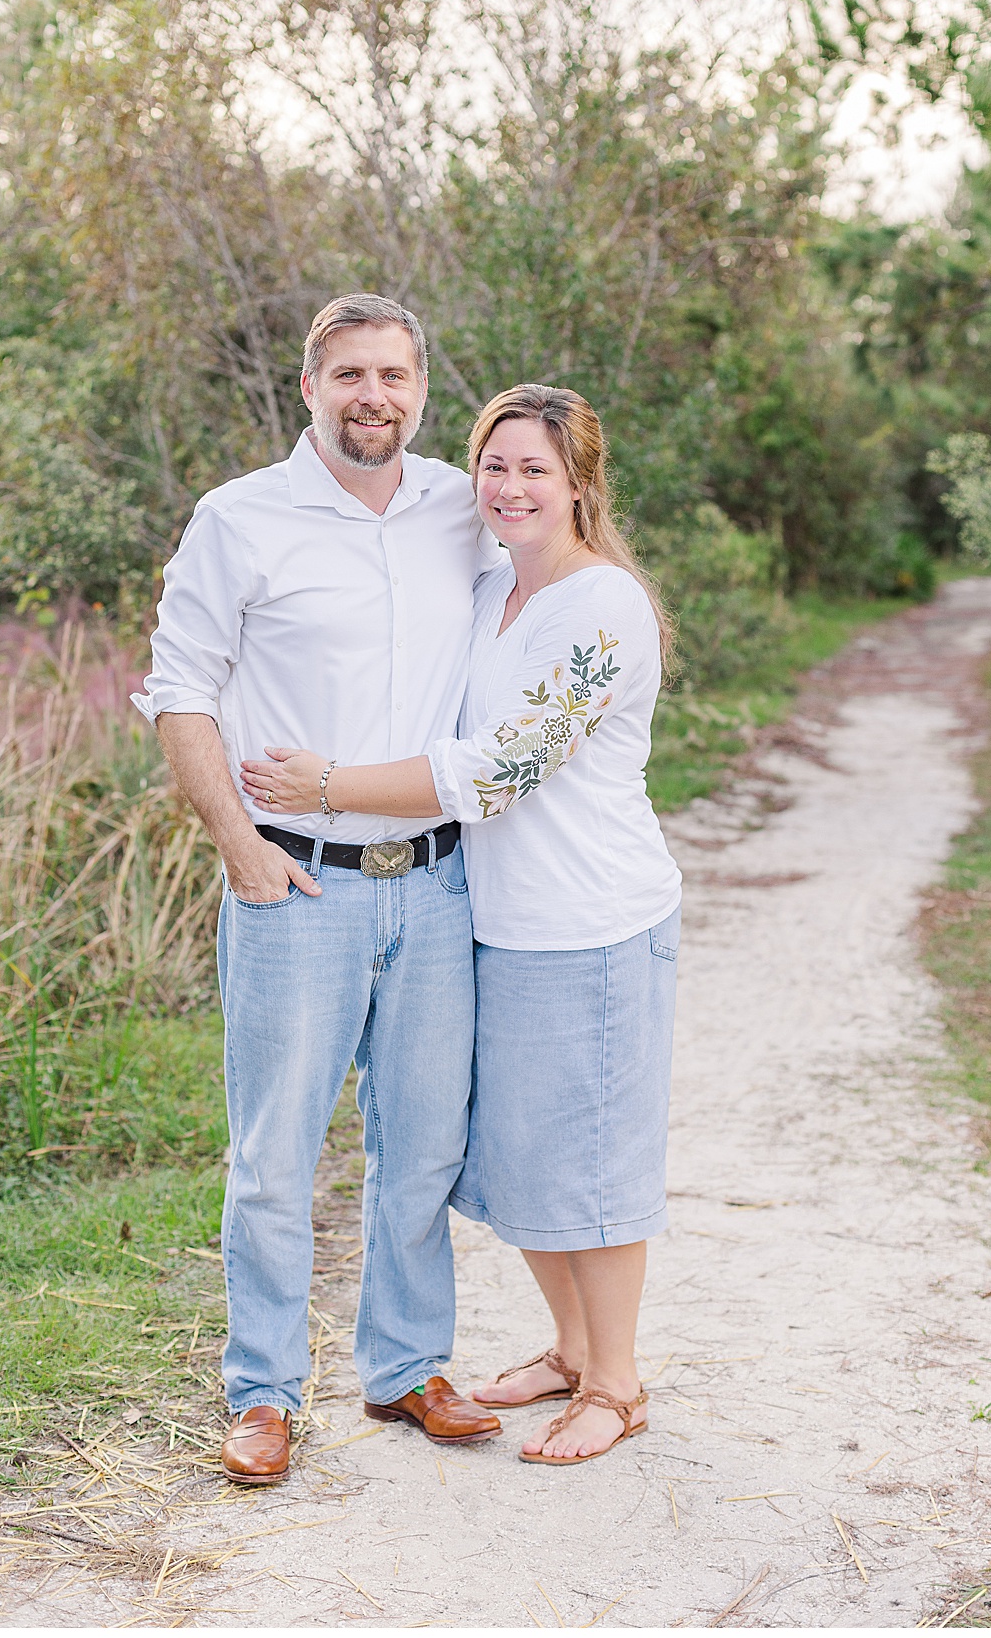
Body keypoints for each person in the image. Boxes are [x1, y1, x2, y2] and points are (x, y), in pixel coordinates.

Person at [243, 383, 683, 1465]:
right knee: (516, 1152)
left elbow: (504, 768)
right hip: (497, 917)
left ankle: (618, 1384)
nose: (511, 486)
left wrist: (329, 783)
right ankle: (573, 1349)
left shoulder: (605, 605)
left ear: (580, 481)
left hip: (594, 919)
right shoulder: (493, 587)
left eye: (536, 468)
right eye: (495, 465)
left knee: (593, 1156)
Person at [132, 293, 504, 1487]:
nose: (373, 397)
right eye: (350, 374)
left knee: (422, 1147)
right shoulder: (240, 518)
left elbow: (548, 589)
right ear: (309, 386)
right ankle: (263, 1389)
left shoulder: (465, 505)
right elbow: (179, 691)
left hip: (439, 884)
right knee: (275, 1149)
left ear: (422, 386)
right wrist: (238, 844)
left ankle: (404, 1368)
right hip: (296, 881)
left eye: (393, 375)